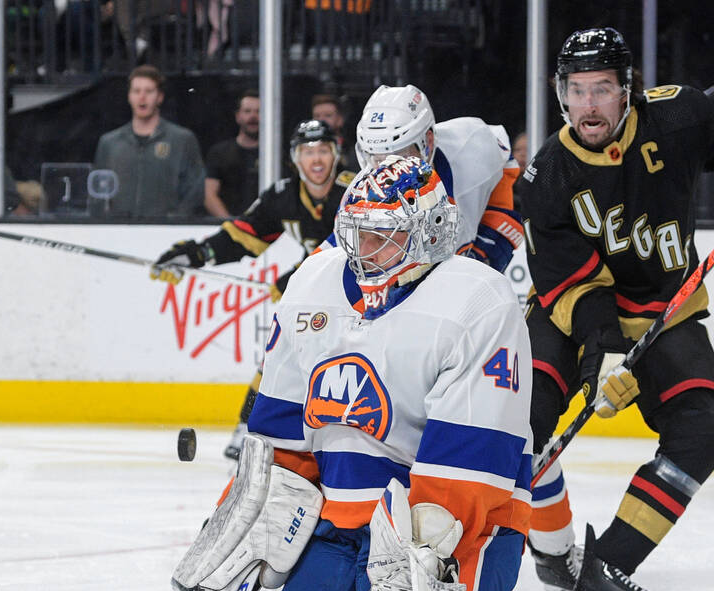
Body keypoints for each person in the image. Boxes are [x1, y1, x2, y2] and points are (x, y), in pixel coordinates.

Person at [169, 155, 701, 591]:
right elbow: (281, 435)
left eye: (381, 233)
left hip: (460, 538)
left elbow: (463, 476)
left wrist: (412, 573)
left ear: (424, 231)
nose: (361, 248)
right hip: (341, 527)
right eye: (356, 229)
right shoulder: (313, 284)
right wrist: (253, 513)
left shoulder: (477, 300)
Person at [520, 27, 714, 591]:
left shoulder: (676, 116)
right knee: (524, 422)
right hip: (572, 317)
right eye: (577, 91)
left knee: (702, 433)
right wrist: (602, 362)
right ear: (560, 95)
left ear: (627, 91)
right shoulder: (546, 177)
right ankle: (538, 552)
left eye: (602, 89)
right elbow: (576, 290)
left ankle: (606, 570)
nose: (589, 105)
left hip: (665, 310)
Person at [151, 119, 356, 475]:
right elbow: (242, 235)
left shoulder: (353, 191)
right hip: (318, 300)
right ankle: (250, 429)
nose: (317, 160)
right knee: (280, 353)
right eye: (308, 152)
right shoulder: (284, 196)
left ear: (336, 154)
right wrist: (195, 255)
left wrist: (295, 278)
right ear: (295, 158)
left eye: (323, 150)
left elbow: (351, 247)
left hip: (360, 301)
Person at [348, 84, 524, 274]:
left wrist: (490, 238)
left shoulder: (471, 146)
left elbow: (503, 160)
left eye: (398, 154)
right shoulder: (357, 196)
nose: (387, 169)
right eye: (375, 157)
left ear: (428, 142)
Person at [92, 65, 205, 218]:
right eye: (136, 91)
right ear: (129, 96)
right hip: (118, 231)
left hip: (166, 232)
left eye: (149, 91)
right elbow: (98, 193)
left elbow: (195, 190)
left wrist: (175, 222)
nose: (142, 97)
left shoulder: (182, 139)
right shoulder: (109, 143)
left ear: (160, 97)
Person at [204, 89, 260, 218]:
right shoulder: (219, 153)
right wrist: (232, 226)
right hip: (228, 228)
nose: (253, 116)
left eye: (258, 111)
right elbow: (209, 196)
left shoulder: (275, 155)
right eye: (247, 111)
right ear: (238, 116)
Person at [311, 93, 358, 174]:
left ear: (340, 119)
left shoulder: (354, 152)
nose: (321, 120)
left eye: (328, 115)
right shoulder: (303, 152)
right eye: (317, 116)